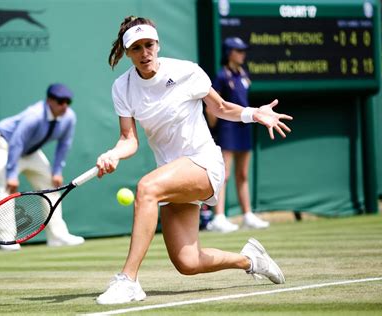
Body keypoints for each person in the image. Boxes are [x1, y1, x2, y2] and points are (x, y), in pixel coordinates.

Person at [94, 16, 292, 305]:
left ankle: (128, 281)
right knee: (188, 262)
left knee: (147, 188)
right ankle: (250, 260)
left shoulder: (186, 72)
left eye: (149, 44)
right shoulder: (122, 88)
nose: (144, 52)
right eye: (136, 48)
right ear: (128, 53)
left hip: (203, 163)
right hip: (173, 175)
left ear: (157, 44)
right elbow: (129, 140)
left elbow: (221, 107)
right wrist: (113, 154)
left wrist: (253, 113)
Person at [0, 83, 85, 251]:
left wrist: (57, 171)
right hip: (4, 143)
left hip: (30, 150)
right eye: (60, 101)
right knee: (7, 188)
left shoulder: (69, 117)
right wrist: (11, 174)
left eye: (68, 102)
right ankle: (6, 240)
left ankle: (57, 236)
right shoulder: (34, 116)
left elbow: (64, 144)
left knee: (51, 186)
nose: (64, 106)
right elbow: (16, 142)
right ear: (49, 101)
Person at [205, 37, 269, 233]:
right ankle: (219, 217)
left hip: (244, 127)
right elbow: (211, 108)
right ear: (229, 53)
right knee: (223, 174)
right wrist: (215, 129)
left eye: (243, 51)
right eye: (238, 50)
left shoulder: (243, 74)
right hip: (226, 129)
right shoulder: (221, 76)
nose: (242, 54)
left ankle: (247, 215)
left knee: (242, 174)